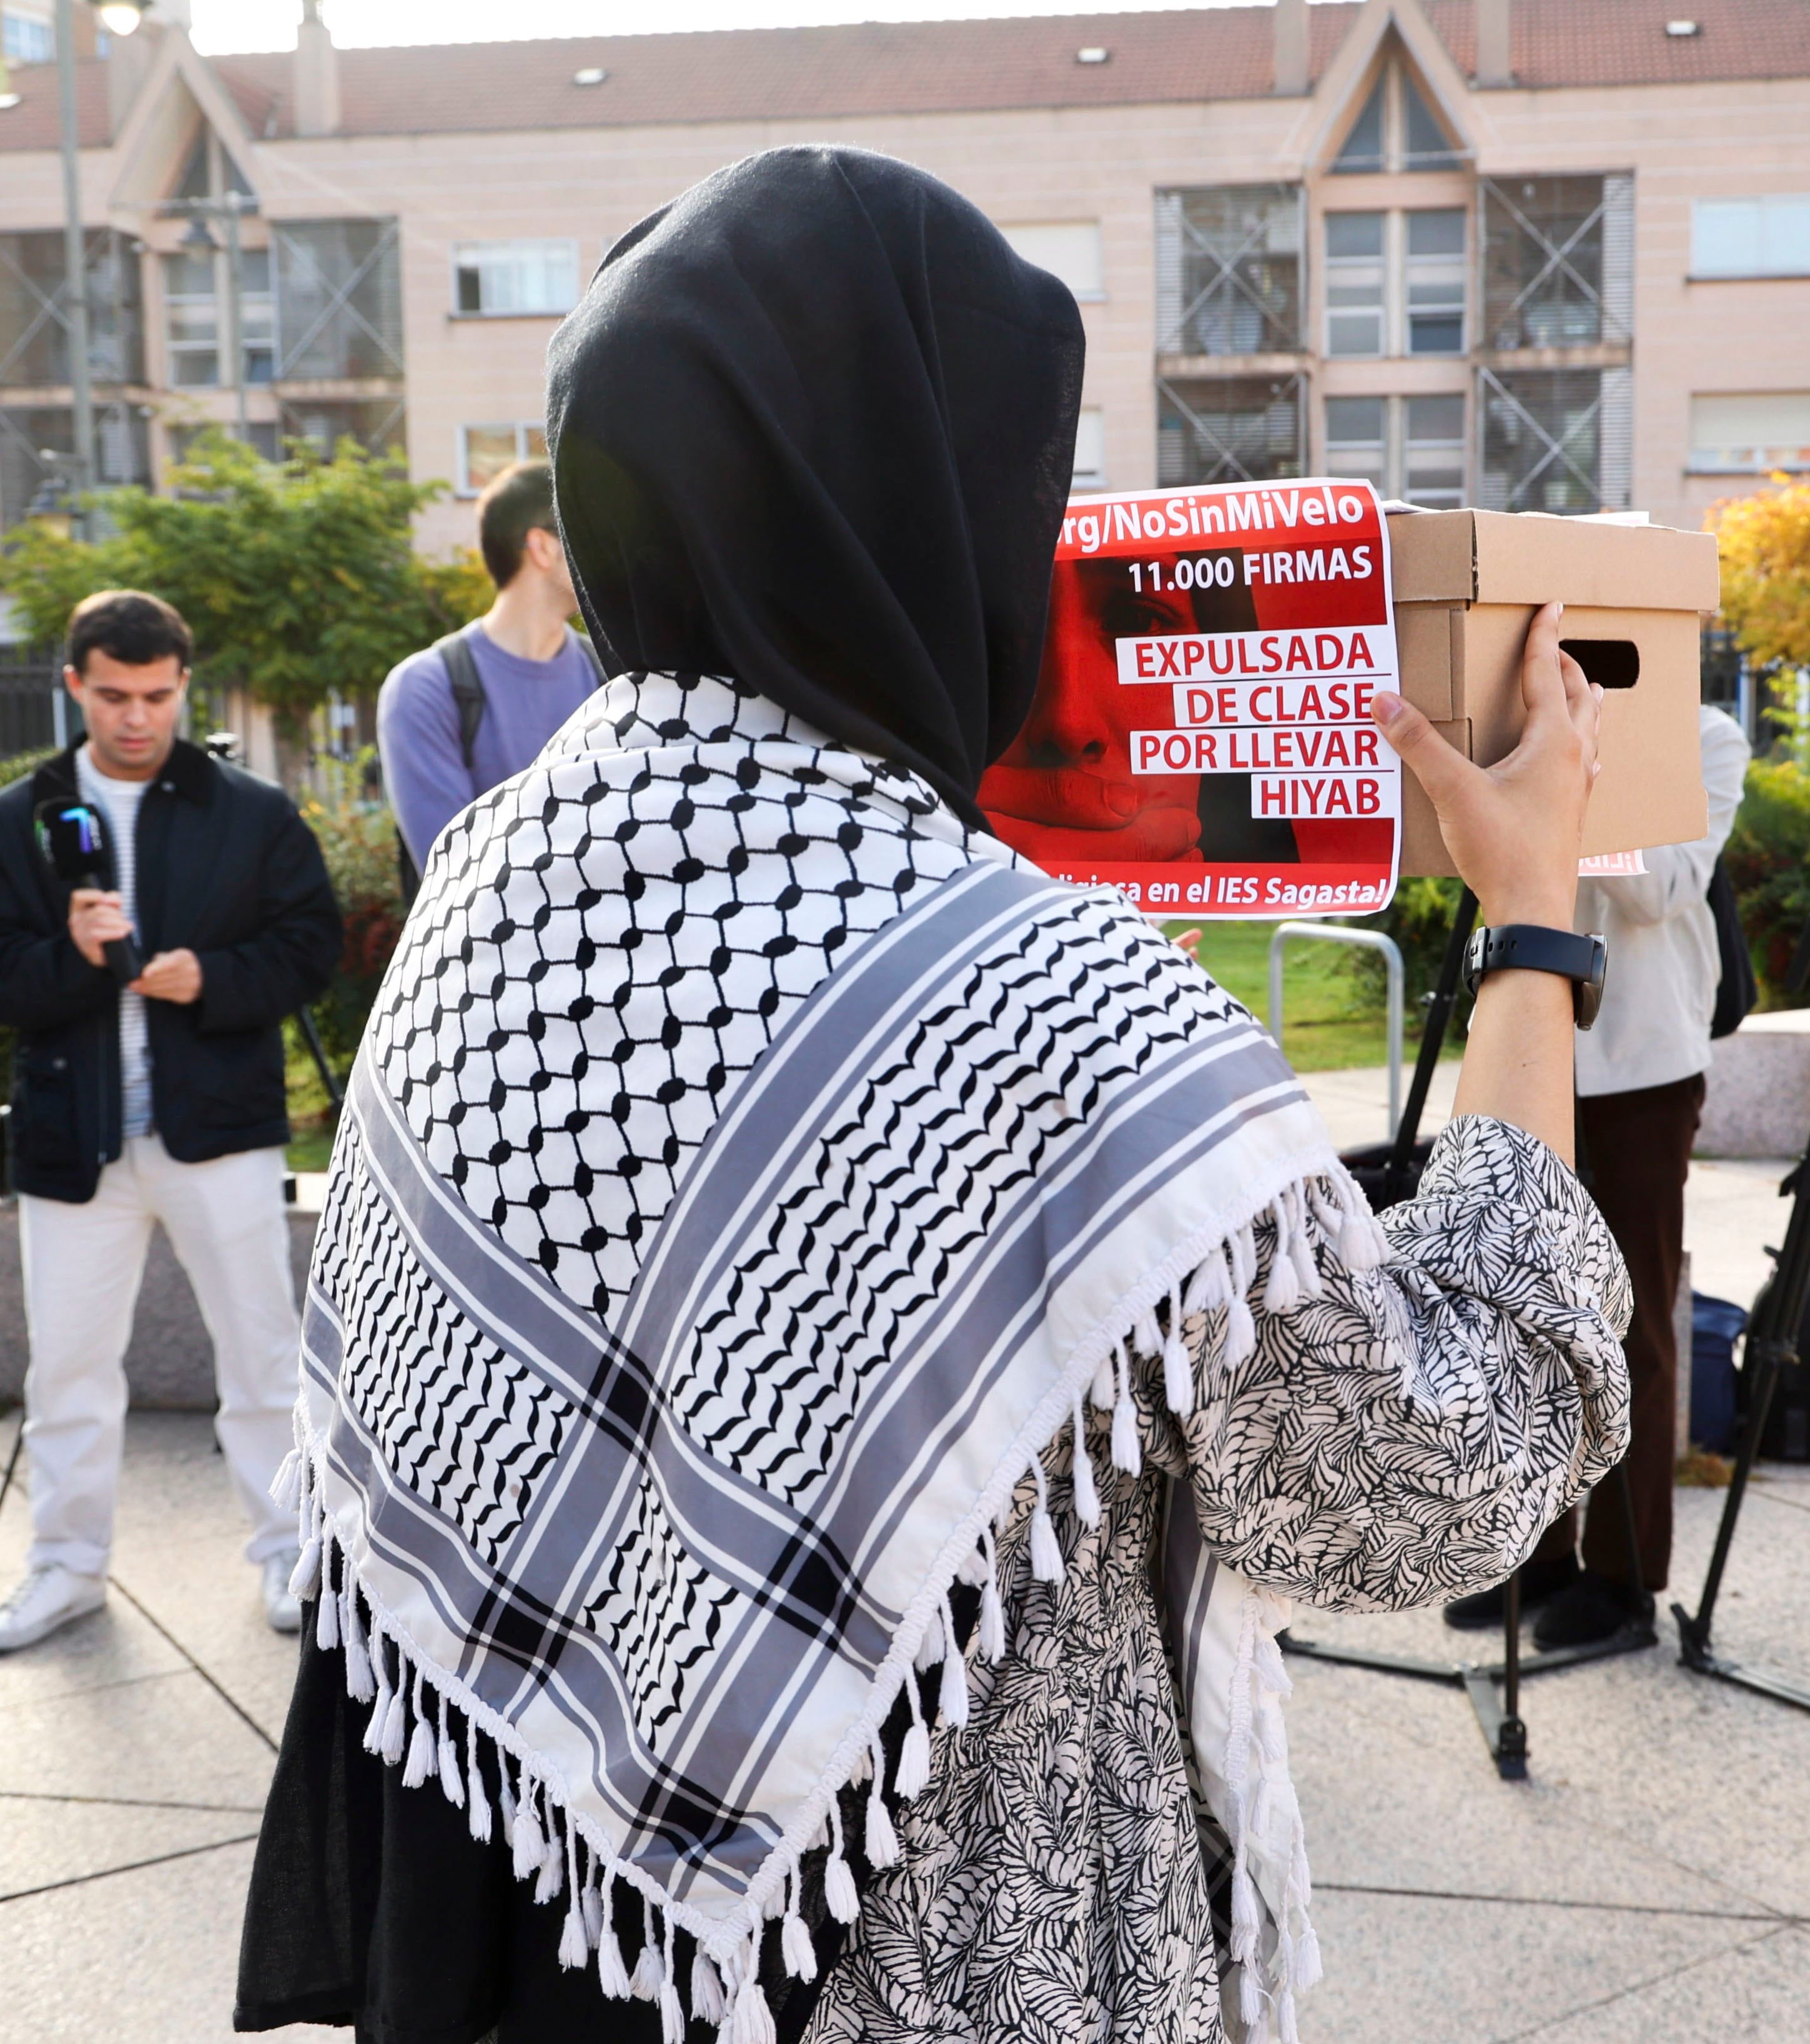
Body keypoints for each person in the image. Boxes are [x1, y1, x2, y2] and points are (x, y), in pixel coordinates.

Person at [234, 147, 1628, 2044]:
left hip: (546, 1916)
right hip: (927, 1940)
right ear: (936, 508)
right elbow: (1432, 1475)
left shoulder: (499, 865)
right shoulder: (1041, 1002)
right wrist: (1534, 924)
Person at [0, 591, 342, 1654]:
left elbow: (312, 946)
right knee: (67, 1367)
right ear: (73, 683)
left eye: (157, 695)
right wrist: (69, 957)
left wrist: (211, 974)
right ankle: (66, 1569)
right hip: (76, 1143)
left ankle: (291, 1553)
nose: (136, 717)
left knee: (261, 1356)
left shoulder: (249, 809)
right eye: (113, 694)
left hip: (220, 1128)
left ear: (183, 685)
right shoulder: (10, 820)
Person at [1450, 700, 1752, 1649]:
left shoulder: (1701, 735)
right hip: (1525, 1046)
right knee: (1519, 1309)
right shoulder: (1519, 721)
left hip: (1638, 1066)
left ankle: (1624, 1578)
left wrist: (1574, 780)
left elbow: (1659, 887)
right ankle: (1533, 1555)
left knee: (1628, 1321)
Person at [378, 459, 605, 876]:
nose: (607, 552)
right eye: (589, 533)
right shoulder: (427, 687)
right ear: (543, 548)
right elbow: (455, 875)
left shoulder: (610, 675)